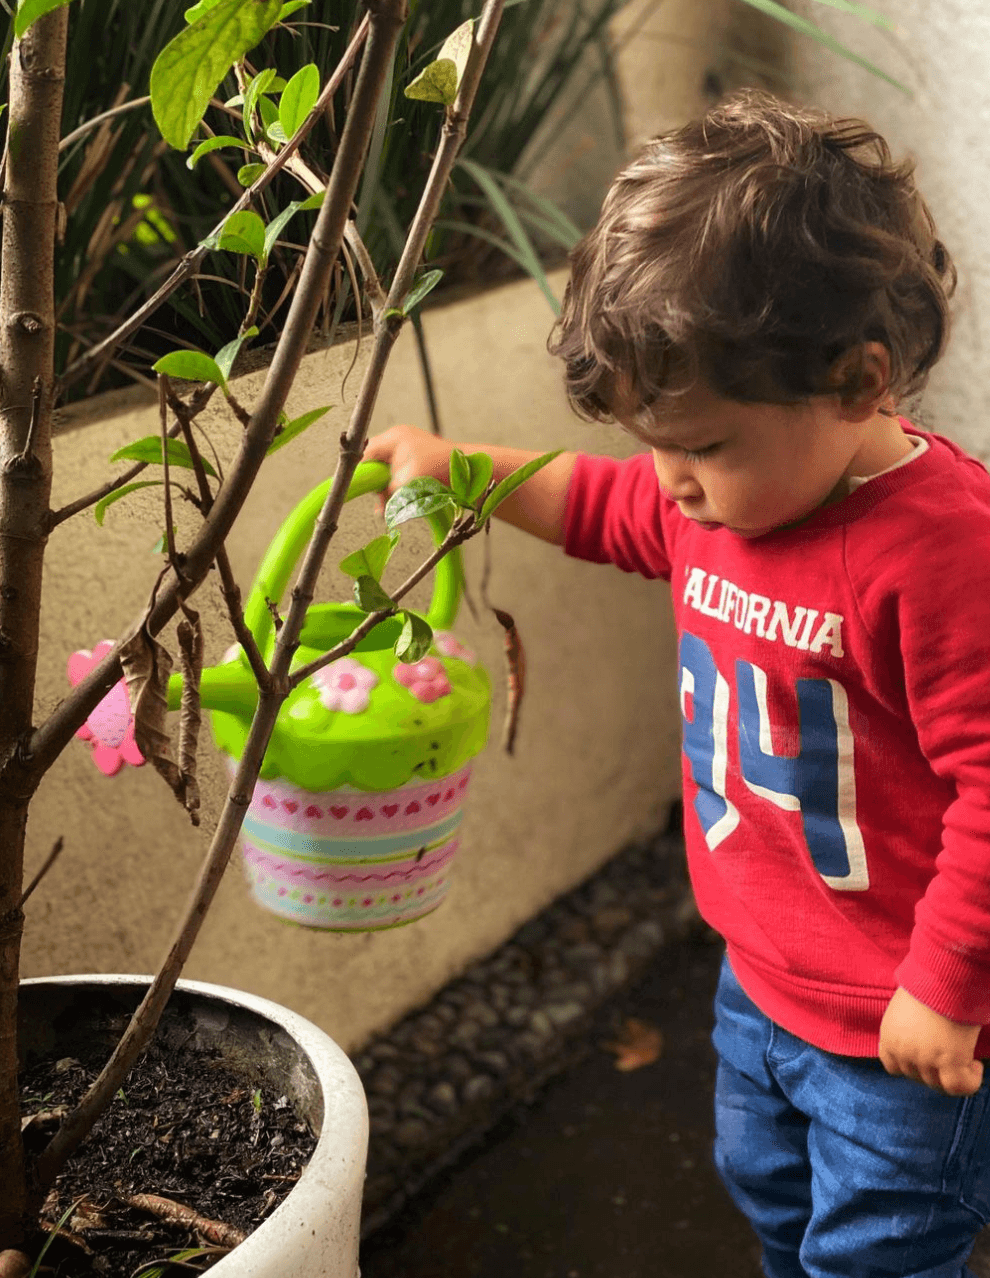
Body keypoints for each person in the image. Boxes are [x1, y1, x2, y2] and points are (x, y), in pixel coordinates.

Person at [364, 90, 990, 1277]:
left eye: (703, 446)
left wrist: (948, 989)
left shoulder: (943, 555)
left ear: (861, 383)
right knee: (770, 1202)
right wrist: (462, 474)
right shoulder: (727, 497)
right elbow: (600, 506)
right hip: (758, 985)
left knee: (880, 1257)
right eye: (657, 443)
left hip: (902, 1028)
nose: (675, 482)